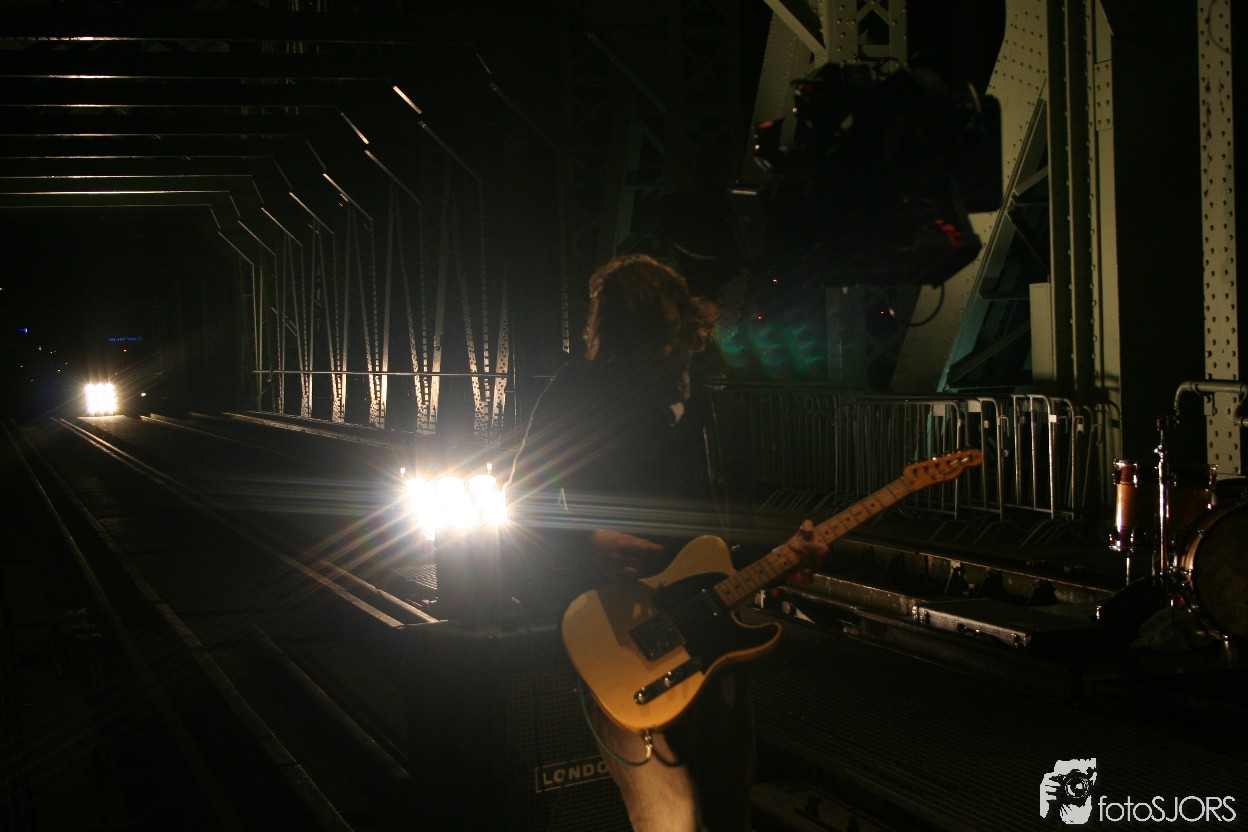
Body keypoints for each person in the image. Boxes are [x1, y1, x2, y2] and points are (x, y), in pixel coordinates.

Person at [506, 253, 826, 832]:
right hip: (619, 636)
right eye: (646, 337)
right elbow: (520, 503)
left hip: (711, 636)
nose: (664, 348)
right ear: (613, 336)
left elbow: (730, 531)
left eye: (671, 331)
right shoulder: (577, 393)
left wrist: (783, 559)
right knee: (667, 819)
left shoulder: (709, 406)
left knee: (727, 810)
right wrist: (587, 544)